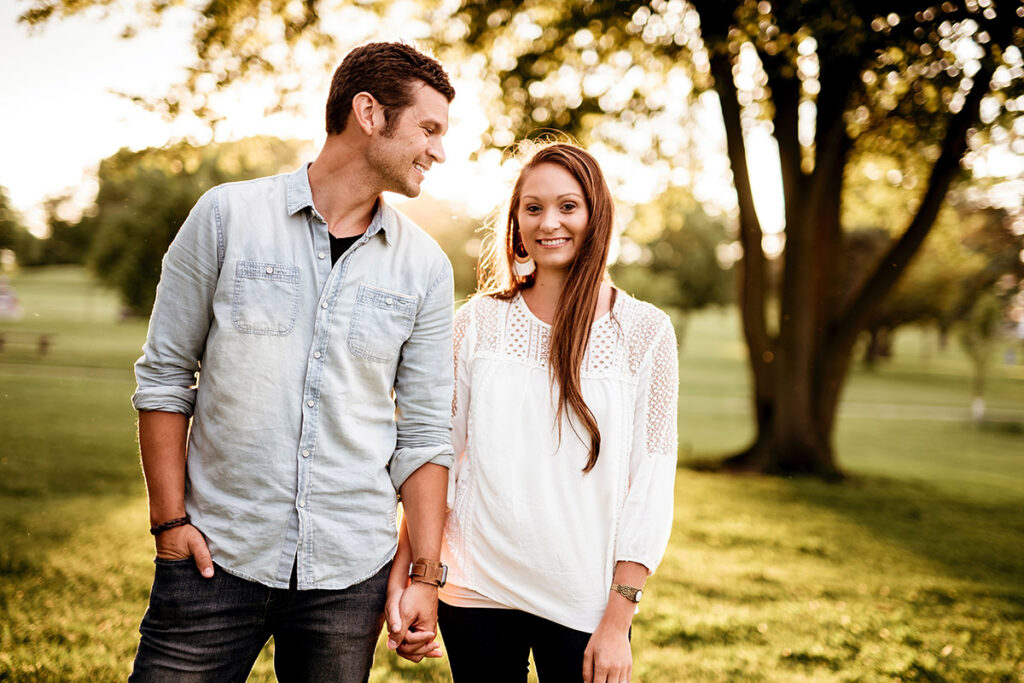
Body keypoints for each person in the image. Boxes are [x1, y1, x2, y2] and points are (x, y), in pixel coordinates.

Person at [129, 42, 456, 681]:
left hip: (348, 574)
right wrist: (169, 522)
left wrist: (424, 576)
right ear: (369, 113)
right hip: (212, 558)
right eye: (429, 128)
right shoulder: (227, 217)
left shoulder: (426, 268)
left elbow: (423, 436)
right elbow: (166, 376)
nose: (439, 152)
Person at [430, 142, 679, 682]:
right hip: (476, 586)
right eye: (533, 207)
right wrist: (417, 576)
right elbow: (439, 455)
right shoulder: (477, 322)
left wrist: (618, 620)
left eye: (568, 206)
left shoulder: (645, 333)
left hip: (584, 601)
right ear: (516, 221)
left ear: (596, 215)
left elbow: (651, 484)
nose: (550, 223)